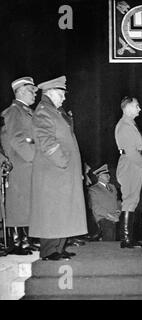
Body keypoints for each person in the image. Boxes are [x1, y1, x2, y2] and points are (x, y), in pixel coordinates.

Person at [29, 75, 87, 261]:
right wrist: (63, 162)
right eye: (61, 94)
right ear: (51, 92)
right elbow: (46, 141)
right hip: (53, 170)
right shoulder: (43, 111)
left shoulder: (56, 111)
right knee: (52, 211)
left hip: (63, 171)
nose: (64, 98)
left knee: (63, 210)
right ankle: (49, 251)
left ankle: (59, 248)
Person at [0, 77, 39, 255]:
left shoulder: (26, 111)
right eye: (32, 90)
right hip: (19, 162)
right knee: (18, 202)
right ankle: (17, 243)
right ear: (21, 91)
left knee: (27, 202)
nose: (35, 94)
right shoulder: (15, 111)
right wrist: (33, 157)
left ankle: (25, 240)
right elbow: (17, 139)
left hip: (26, 163)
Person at [115, 96, 142, 249]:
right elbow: (131, 152)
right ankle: (127, 239)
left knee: (132, 200)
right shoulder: (125, 126)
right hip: (131, 164)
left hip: (132, 164)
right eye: (137, 106)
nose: (139, 109)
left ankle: (129, 238)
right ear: (127, 108)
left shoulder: (129, 124)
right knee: (130, 200)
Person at [88, 164, 120, 241]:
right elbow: (96, 208)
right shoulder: (93, 189)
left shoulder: (112, 187)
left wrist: (118, 213)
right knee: (109, 240)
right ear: (99, 176)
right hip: (103, 218)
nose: (108, 177)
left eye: (108, 175)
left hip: (115, 217)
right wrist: (111, 216)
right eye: (106, 175)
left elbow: (118, 202)